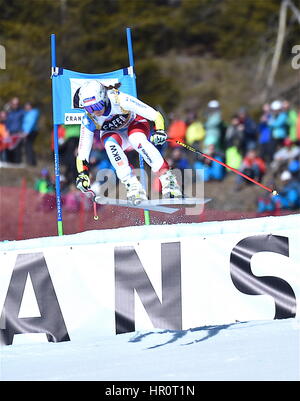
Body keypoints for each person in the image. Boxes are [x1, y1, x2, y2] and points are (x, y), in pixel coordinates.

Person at [75, 80, 182, 203]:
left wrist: (160, 131)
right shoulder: (88, 119)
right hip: (116, 135)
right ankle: (133, 186)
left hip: (135, 125)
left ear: (104, 98)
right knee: (110, 144)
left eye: (97, 106)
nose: (95, 111)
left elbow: (155, 115)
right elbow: (82, 152)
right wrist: (82, 174)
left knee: (136, 139)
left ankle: (168, 179)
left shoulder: (119, 100)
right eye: (89, 108)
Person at [5, 97, 24, 163]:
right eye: (14, 104)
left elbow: (23, 122)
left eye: (17, 103)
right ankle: (10, 162)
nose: (16, 105)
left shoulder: (21, 112)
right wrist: (7, 130)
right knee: (10, 148)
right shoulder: (9, 112)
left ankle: (18, 162)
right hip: (10, 132)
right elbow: (7, 122)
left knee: (17, 148)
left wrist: (22, 131)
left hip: (18, 132)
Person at [22, 102, 40, 166]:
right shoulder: (27, 113)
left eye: (27, 106)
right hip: (28, 131)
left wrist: (27, 132)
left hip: (31, 132)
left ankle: (31, 162)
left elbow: (31, 123)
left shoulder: (33, 113)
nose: (26, 107)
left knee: (28, 146)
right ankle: (31, 162)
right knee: (28, 146)